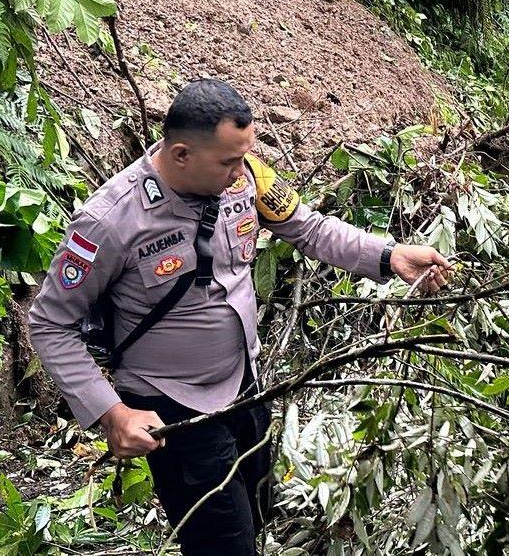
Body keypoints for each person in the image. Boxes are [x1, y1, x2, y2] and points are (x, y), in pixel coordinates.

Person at [28, 79, 453, 555]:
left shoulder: (248, 175)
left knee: (256, 508)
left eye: (244, 157)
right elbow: (48, 324)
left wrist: (389, 255)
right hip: (174, 405)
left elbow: (308, 229)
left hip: (246, 386)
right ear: (182, 154)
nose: (240, 172)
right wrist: (112, 413)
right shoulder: (110, 221)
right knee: (223, 543)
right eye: (228, 162)